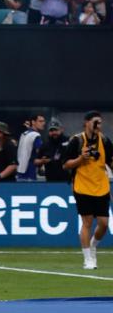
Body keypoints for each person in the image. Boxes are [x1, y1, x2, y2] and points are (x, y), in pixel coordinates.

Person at [63, 111, 111, 270]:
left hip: (101, 186)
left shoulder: (105, 140)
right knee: (87, 222)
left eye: (100, 122)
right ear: (87, 123)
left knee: (104, 223)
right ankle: (87, 259)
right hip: (82, 186)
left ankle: (93, 245)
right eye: (95, 122)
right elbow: (66, 165)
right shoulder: (76, 140)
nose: (98, 125)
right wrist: (80, 158)